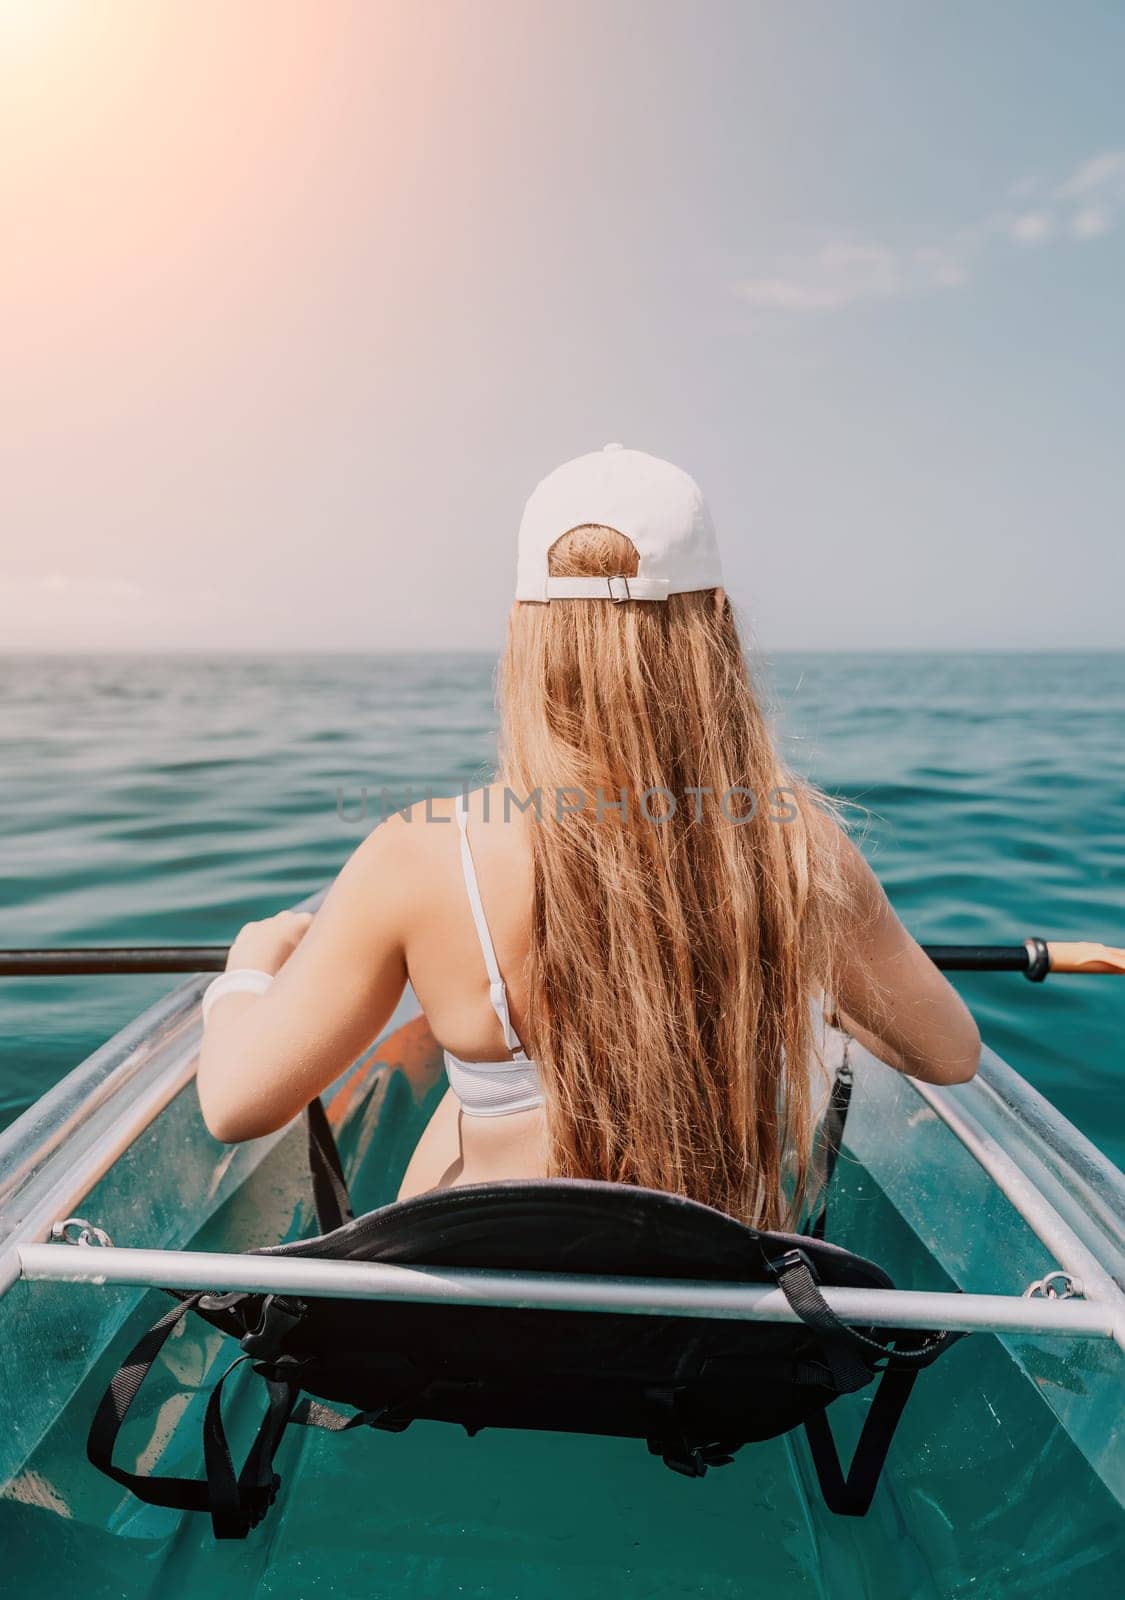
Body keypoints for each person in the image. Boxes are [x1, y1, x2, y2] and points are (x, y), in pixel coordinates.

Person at [197, 445, 979, 1228]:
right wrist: (823, 983)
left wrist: (246, 974)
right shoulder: (792, 848)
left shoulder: (423, 854)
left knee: (461, 1100)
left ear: (522, 632)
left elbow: (235, 1108)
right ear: (716, 626)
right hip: (703, 1322)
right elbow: (948, 1054)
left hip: (470, 1310)